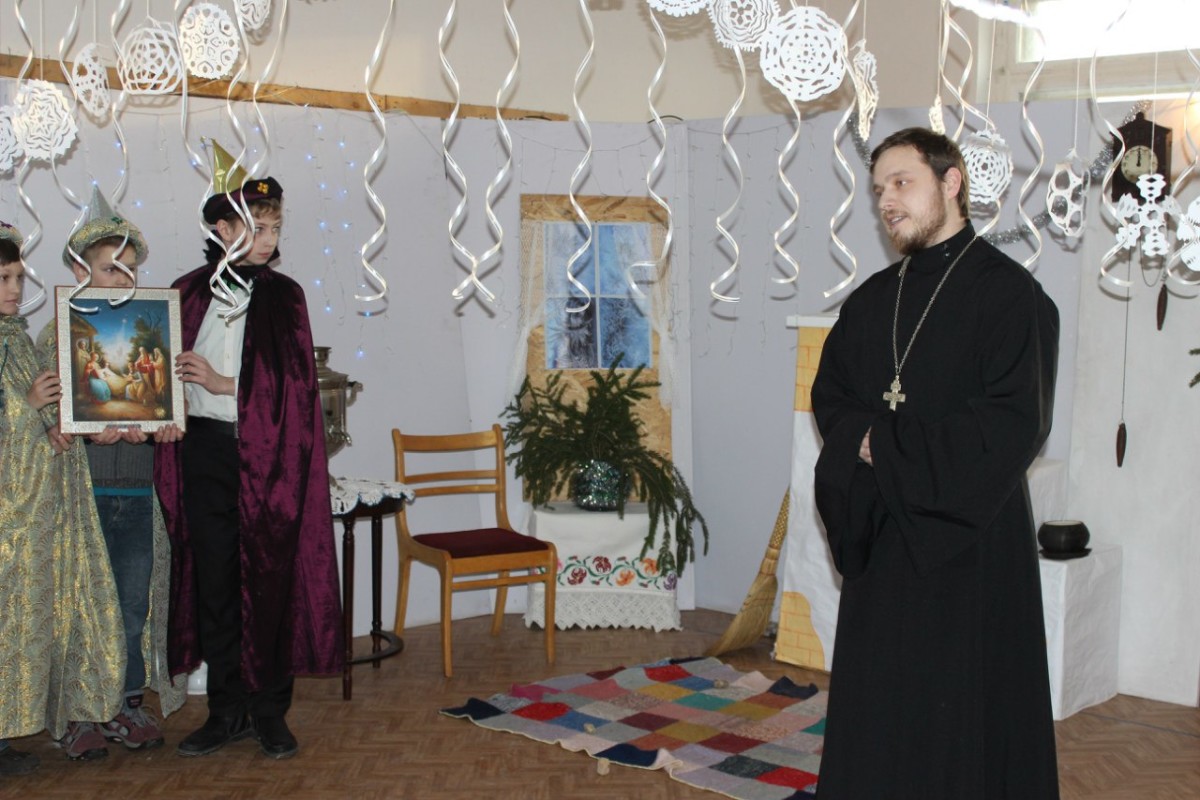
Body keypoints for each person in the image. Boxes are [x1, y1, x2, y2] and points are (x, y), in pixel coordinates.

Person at [810, 128, 1060, 799]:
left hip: (970, 546)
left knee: (966, 715)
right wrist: (874, 443)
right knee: (881, 709)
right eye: (878, 190)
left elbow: (1014, 422)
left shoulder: (1012, 298)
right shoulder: (870, 301)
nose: (886, 202)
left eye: (902, 183)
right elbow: (832, 396)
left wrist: (882, 445)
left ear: (951, 184)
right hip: (886, 538)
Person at [154, 167, 343, 761]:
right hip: (204, 453)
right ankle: (226, 711)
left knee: (269, 582)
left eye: (275, 228)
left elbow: (295, 389)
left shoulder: (286, 298)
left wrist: (222, 383)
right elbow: (154, 375)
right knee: (214, 584)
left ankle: (269, 712)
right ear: (222, 228)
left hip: (269, 460)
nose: (269, 239)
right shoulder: (185, 293)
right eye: (257, 228)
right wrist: (165, 410)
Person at [37, 190, 188, 760]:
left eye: (129, 268)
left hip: (137, 489)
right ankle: (78, 712)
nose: (122, 278)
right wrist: (72, 429)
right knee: (80, 603)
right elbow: (44, 420)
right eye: (109, 268)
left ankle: (125, 701)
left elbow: (163, 403)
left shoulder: (156, 329)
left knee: (130, 603)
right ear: (81, 271)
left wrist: (166, 425)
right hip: (83, 494)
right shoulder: (57, 333)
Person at [0, 220, 125, 773]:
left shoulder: (16, 341)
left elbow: (38, 422)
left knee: (22, 625)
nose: (14, 288)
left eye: (17, 276)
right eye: (3, 278)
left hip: (34, 513)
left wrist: (51, 427)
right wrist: (27, 408)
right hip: (9, 518)